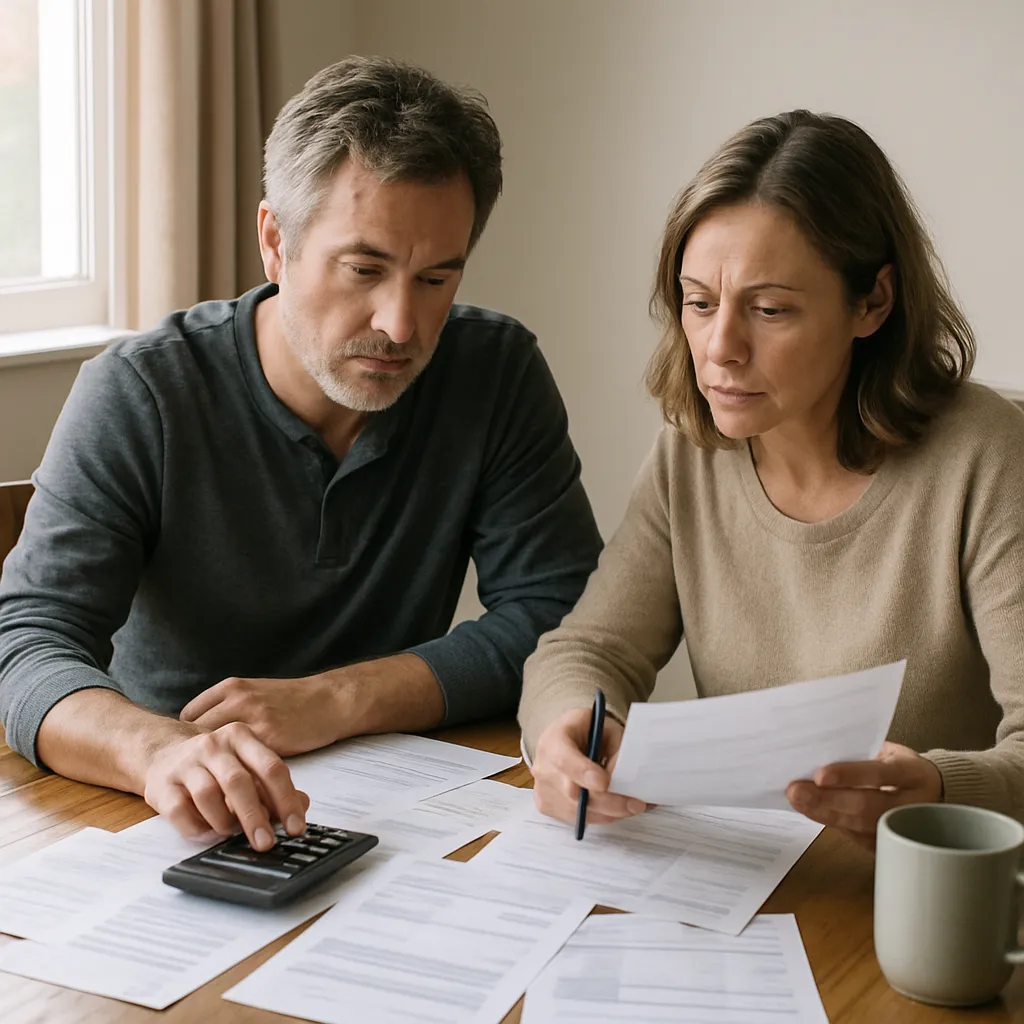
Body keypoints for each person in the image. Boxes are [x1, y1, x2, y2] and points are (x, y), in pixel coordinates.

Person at [0, 56, 601, 852]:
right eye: (365, 269)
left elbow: (565, 619)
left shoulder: (494, 372)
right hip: (170, 818)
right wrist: (160, 752)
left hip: (406, 813)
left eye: (435, 279)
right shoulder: (141, 392)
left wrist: (341, 698)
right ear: (275, 243)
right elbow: (27, 645)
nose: (400, 324)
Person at [521, 108, 1024, 849]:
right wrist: (569, 725)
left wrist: (942, 789)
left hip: (929, 888)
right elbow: (585, 649)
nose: (720, 346)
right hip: (754, 879)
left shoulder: (987, 455)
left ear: (872, 302)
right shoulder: (689, 456)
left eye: (769, 309)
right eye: (699, 303)